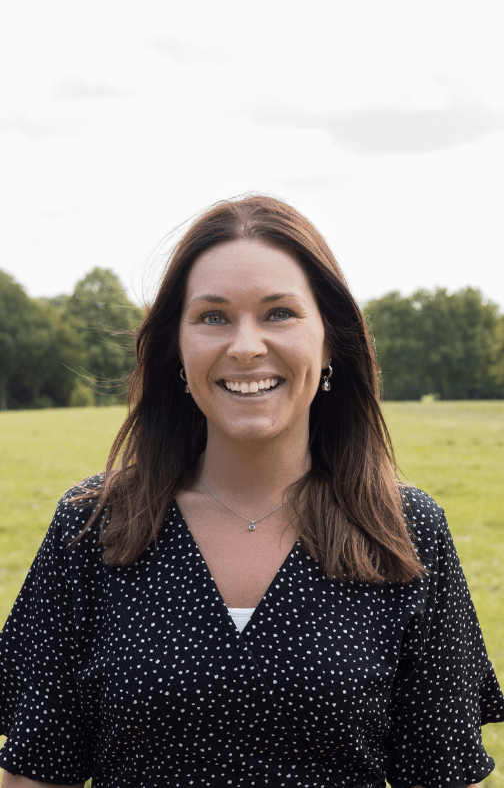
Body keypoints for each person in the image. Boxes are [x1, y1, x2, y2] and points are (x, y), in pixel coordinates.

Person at [1, 195, 503, 788]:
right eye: (213, 316)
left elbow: (444, 773)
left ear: (329, 340)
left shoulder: (404, 532)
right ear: (177, 348)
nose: (245, 346)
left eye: (279, 314)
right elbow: (35, 773)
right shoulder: (92, 526)